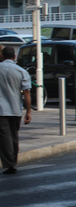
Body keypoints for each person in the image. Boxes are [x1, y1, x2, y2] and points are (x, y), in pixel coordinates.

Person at [0, 47, 32, 175]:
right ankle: (13, 161)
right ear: (14, 56)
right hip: (15, 109)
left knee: (4, 137)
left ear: (2, 56)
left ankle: (9, 164)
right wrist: (28, 111)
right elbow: (26, 93)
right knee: (14, 135)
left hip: (1, 110)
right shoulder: (21, 71)